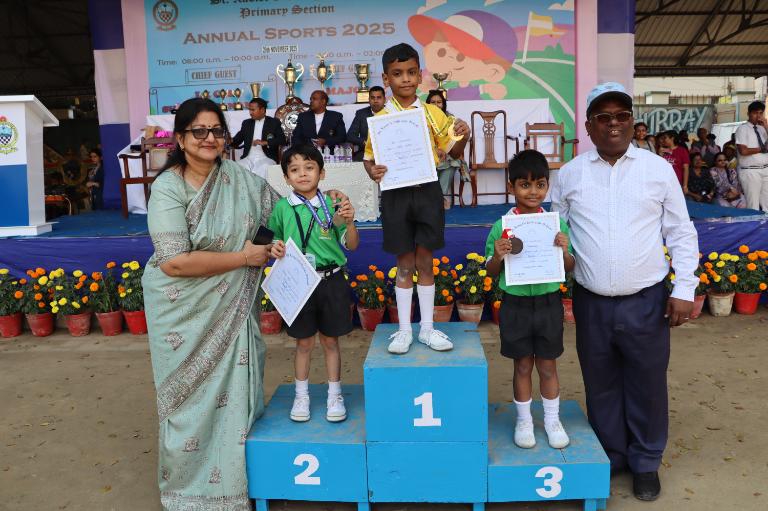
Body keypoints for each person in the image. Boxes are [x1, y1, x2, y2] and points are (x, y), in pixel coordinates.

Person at [142, 97, 346, 510]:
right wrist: (244, 258)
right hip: (182, 311)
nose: (209, 138)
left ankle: (236, 484)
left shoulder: (240, 180)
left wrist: (327, 200)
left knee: (235, 394)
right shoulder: (167, 188)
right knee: (189, 402)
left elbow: (282, 212)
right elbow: (174, 262)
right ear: (180, 138)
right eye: (199, 131)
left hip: (233, 305)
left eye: (217, 130)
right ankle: (190, 491)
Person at [551, 82, 699, 502]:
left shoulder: (657, 170)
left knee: (647, 383)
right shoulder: (570, 174)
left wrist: (685, 287)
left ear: (632, 123)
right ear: (588, 126)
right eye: (603, 117)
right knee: (600, 382)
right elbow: (556, 231)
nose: (613, 124)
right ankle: (613, 454)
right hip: (592, 301)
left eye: (621, 116)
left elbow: (680, 231)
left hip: (646, 299)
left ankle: (646, 461)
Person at [363, 42, 470, 354]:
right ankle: (404, 331)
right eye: (398, 74)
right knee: (404, 262)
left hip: (427, 193)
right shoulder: (380, 119)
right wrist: (372, 171)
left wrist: (464, 135)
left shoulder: (433, 114)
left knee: (425, 260)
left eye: (411, 72)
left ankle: (426, 328)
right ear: (386, 79)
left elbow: (454, 151)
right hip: (395, 195)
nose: (406, 79)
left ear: (420, 75)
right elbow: (369, 159)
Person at [484, 150, 575, 450]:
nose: (533, 192)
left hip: (549, 303)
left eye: (540, 184)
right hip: (516, 304)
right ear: (511, 186)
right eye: (524, 185)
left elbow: (570, 266)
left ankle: (552, 420)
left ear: (548, 186)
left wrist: (564, 250)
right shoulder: (501, 227)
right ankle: (524, 421)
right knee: (522, 366)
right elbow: (490, 270)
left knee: (548, 366)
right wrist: (498, 255)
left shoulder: (556, 225)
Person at [268, 145, 359, 423]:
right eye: (294, 170)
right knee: (304, 343)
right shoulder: (283, 208)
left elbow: (352, 245)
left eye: (309, 167)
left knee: (331, 341)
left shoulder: (333, 204)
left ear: (322, 172)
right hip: (299, 283)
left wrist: (350, 223)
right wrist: (274, 247)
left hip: (331, 280)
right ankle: (301, 396)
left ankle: (335, 395)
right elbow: (272, 238)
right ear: (286, 178)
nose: (303, 174)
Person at [426, 89, 469, 209]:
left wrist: (444, 150)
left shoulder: (450, 119)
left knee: (453, 161)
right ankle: (439, 199)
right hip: (429, 155)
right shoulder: (422, 117)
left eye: (439, 102)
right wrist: (435, 150)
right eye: (433, 102)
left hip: (446, 155)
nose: (436, 105)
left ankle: (439, 197)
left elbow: (453, 142)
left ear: (443, 104)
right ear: (428, 104)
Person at [231, 97, 286, 178]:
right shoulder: (246, 123)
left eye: (253, 110)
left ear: (262, 110)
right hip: (248, 158)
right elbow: (237, 140)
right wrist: (229, 140)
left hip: (266, 158)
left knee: (264, 168)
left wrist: (265, 142)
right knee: (238, 167)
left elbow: (282, 140)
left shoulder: (273, 122)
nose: (250, 112)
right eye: (249, 110)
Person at [734, 100, 768, 210]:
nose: (758, 116)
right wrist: (761, 149)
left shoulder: (762, 128)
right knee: (753, 205)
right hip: (750, 171)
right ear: (748, 114)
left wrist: (766, 127)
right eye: (755, 113)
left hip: (765, 169)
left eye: (760, 113)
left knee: (767, 204)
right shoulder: (742, 129)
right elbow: (743, 151)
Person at [346, 85, 386, 161]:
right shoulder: (361, 114)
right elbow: (350, 135)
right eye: (372, 98)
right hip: (366, 151)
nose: (375, 101)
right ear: (369, 100)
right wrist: (365, 142)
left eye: (379, 97)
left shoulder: (390, 112)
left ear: (384, 99)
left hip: (387, 151)